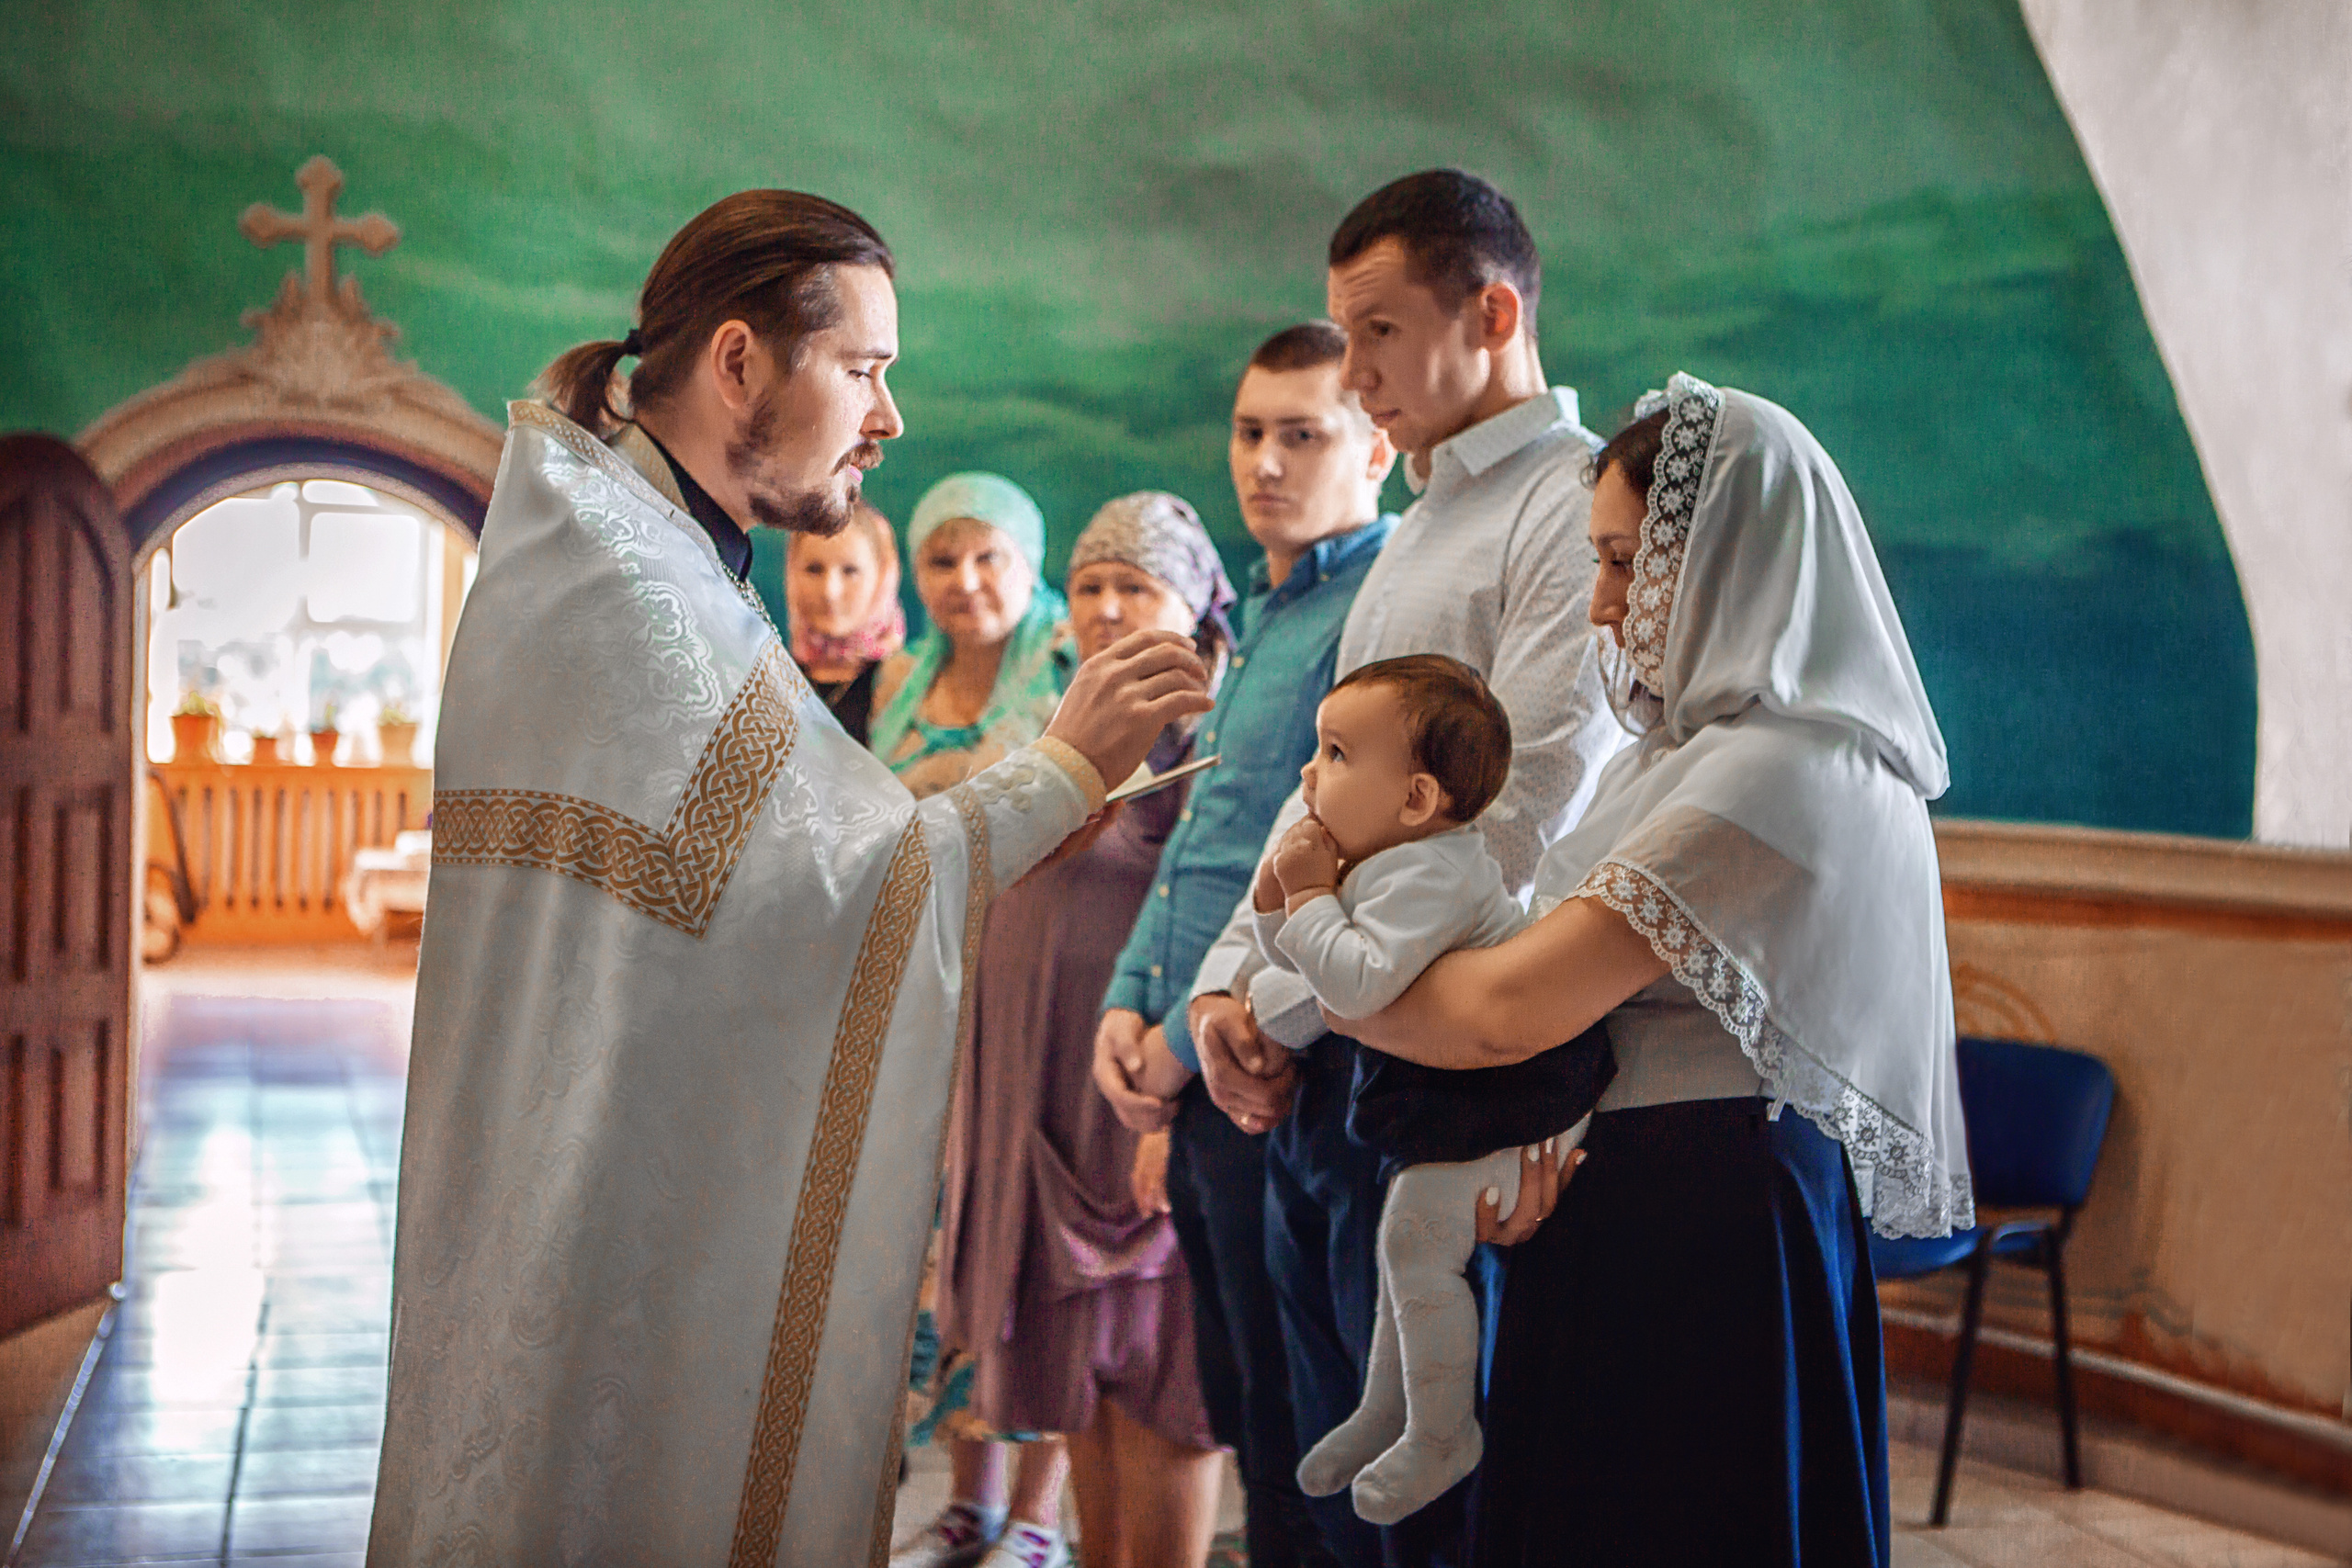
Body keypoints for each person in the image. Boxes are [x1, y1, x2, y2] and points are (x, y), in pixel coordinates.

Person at [368, 190, 1212, 1566]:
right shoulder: (633, 592)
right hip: (603, 1231)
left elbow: (780, 885)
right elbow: (835, 896)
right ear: (743, 360)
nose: (891, 417)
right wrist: (1065, 766)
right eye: (867, 369)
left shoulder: (640, 549)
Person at [1342, 374, 1973, 1565]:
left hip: (1708, 1220)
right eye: (1599, 558)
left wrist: (1328, 969)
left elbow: (1507, 1009)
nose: (1600, 600)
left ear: (1735, 550)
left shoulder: (1780, 768)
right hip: (1637, 1196)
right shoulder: (1682, 749)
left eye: (1627, 559)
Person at [1178, 170, 1629, 1567]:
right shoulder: (1427, 517)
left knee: (1426, 1510)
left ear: (1491, 311)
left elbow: (1526, 809)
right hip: (1330, 1060)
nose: (1354, 370)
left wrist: (1290, 994)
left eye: (1376, 333)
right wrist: (1223, 992)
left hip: (1441, 1084)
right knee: (1314, 1479)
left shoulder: (1569, 504)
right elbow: (1327, 793)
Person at [1091, 321, 1396, 1568]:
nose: (1264, 461)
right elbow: (1211, 837)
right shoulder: (1270, 610)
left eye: (1302, 433)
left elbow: (1323, 862)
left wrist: (1170, 1041)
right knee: (1247, 1404)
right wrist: (1126, 995)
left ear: (1375, 443)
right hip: (1198, 1058)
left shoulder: (1375, 608)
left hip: (1280, 1071)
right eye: (1248, 431)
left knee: (1303, 1430)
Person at [898, 494, 1237, 1568]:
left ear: (1192, 602)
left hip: (1139, 1098)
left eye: (1133, 585)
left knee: (1163, 1387)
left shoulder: (1218, 740)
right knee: (1084, 1390)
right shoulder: (1054, 725)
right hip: (1036, 1092)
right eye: (1089, 586)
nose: (1103, 607)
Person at [1240, 656, 1612, 1527]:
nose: (1309, 771)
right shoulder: (1388, 860)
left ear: (1416, 799)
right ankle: (1389, 1410)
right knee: (1401, 1242)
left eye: (1335, 753)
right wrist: (1280, 897)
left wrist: (1303, 894)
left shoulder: (1434, 872)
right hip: (1459, 1093)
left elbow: (1356, 984)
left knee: (1417, 1247)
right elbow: (1299, 955)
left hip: (1520, 1100)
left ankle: (1445, 1431)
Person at [871, 473, 1074, 797]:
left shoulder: (1069, 667)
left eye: (988, 558)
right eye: (943, 563)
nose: (965, 583)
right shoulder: (899, 676)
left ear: (1030, 566)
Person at [784, 498, 905, 743]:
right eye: (814, 569)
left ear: (882, 577)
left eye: (850, 571)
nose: (830, 591)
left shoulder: (909, 686)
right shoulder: (768, 679)